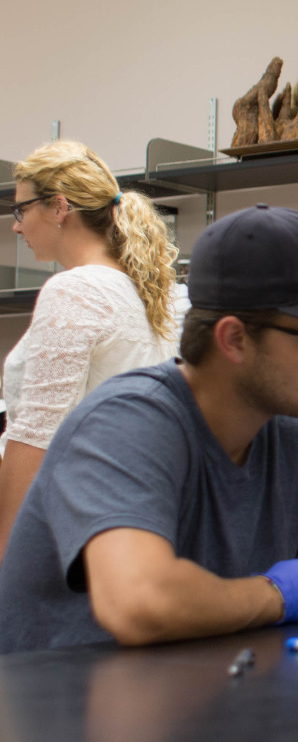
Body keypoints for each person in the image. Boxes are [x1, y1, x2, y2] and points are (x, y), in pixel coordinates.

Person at [0, 204, 298, 653]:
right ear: (234, 339)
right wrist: (276, 594)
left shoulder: (293, 435)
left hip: (195, 698)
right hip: (64, 710)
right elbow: (138, 603)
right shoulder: (124, 423)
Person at [0, 141, 189, 564]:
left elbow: (36, 438)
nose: (16, 226)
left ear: (59, 207)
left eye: (21, 210)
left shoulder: (75, 290)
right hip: (121, 522)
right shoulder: (146, 292)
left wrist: (6, 561)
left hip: (65, 527)